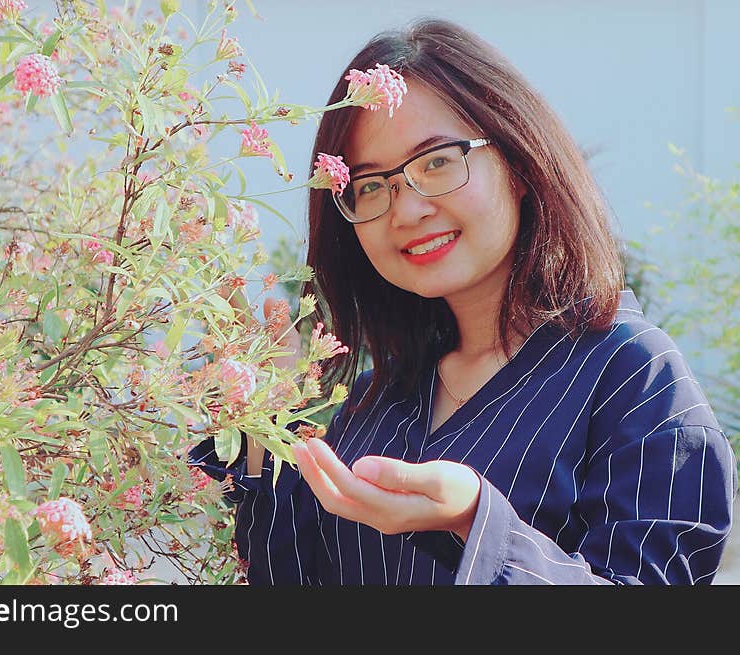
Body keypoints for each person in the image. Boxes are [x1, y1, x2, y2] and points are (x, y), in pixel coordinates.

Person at [189, 18, 737, 585]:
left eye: (437, 161)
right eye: (372, 185)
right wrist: (261, 421)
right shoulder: (379, 398)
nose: (406, 210)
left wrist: (477, 522)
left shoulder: (632, 376)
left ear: (519, 163)